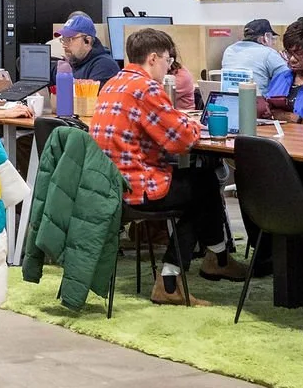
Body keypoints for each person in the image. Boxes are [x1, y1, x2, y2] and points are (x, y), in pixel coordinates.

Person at [89, 26, 248, 305]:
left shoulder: (114, 83)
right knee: (204, 185)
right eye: (167, 60)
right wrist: (194, 124)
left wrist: (179, 120)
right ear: (153, 58)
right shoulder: (146, 87)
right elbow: (180, 140)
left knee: (198, 184)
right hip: (137, 188)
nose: (169, 67)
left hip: (109, 186)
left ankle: (217, 257)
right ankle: (174, 279)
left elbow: (163, 125)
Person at [56, 13, 121, 86]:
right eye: (64, 39)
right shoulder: (73, 61)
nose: (64, 44)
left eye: (69, 39)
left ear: (87, 41)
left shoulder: (104, 66)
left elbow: (90, 97)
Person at [220, 18, 288, 87]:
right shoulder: (269, 53)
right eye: (271, 38)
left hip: (228, 96)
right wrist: (287, 63)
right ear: (265, 38)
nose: (273, 43)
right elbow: (286, 77)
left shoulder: (229, 50)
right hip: (256, 97)